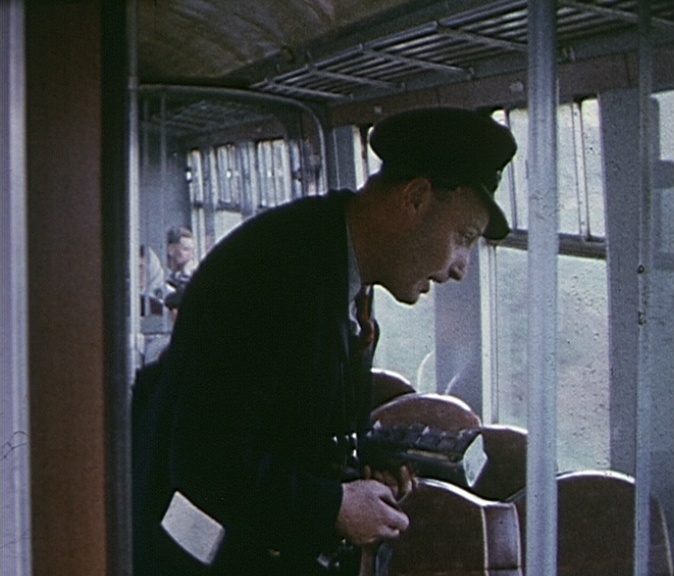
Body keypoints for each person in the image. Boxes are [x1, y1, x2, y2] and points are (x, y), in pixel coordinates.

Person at [132, 107, 517, 576]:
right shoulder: (276, 273)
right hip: (199, 556)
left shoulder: (334, 263)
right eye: (464, 237)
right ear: (416, 198)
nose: (460, 268)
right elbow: (205, 462)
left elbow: (284, 421)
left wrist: (358, 473)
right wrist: (334, 505)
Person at [165, 225, 195, 290]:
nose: (191, 256)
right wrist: (186, 276)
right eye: (186, 249)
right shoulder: (163, 278)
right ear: (171, 250)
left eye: (192, 250)